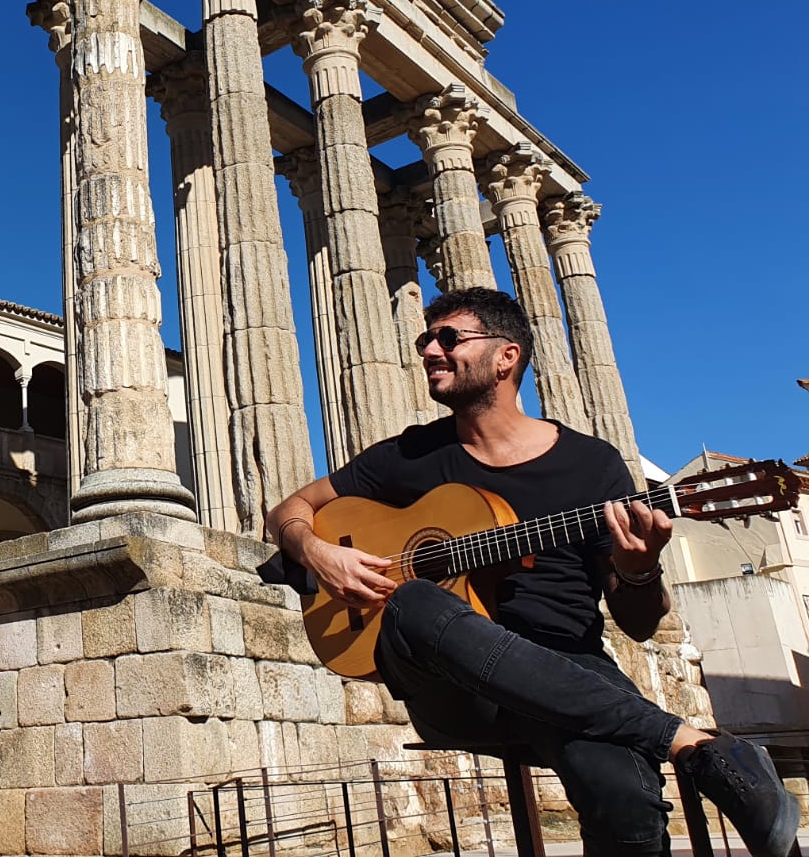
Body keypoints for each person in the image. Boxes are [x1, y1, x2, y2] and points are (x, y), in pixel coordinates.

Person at [268, 286, 800, 857]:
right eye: (426, 339)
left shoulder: (592, 465)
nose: (429, 350)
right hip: (451, 684)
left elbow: (638, 625)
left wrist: (639, 570)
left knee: (623, 788)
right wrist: (319, 552)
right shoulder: (410, 455)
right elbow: (288, 511)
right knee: (415, 601)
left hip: (566, 668)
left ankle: (685, 753)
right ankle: (691, 744)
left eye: (448, 338)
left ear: (507, 356)